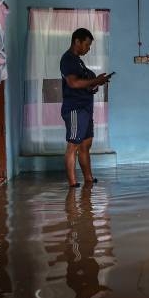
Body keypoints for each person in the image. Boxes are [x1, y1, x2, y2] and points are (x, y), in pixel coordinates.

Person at [60, 28, 110, 187]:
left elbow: (85, 84)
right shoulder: (68, 59)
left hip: (85, 109)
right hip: (75, 108)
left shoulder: (78, 61)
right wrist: (94, 82)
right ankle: (73, 184)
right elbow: (73, 83)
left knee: (85, 145)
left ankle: (88, 178)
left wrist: (96, 82)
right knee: (73, 145)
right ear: (77, 41)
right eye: (87, 45)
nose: (88, 49)